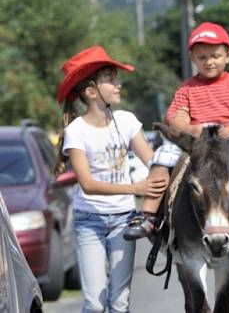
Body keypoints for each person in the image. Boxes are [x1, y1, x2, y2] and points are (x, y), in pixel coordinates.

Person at [55, 45, 167, 313]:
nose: (118, 85)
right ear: (91, 91)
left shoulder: (127, 121)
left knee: (119, 301)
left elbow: (152, 162)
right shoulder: (77, 131)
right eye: (111, 79)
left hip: (123, 219)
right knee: (94, 304)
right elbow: (87, 184)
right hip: (89, 221)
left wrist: (170, 157)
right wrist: (136, 187)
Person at [123, 21, 229, 240]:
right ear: (193, 58)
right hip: (195, 144)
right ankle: (149, 215)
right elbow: (173, 118)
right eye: (202, 57)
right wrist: (190, 128)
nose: (209, 62)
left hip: (226, 141)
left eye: (216, 56)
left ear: (228, 56)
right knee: (162, 158)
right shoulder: (187, 87)